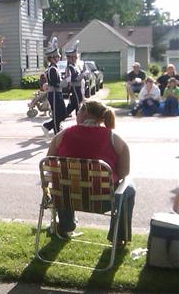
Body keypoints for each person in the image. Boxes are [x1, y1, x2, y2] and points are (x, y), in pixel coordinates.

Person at [46, 101, 135, 243]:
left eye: (78, 111)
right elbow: (124, 173)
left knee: (63, 181)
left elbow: (49, 164)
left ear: (84, 112)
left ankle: (65, 225)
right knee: (129, 187)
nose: (76, 114)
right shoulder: (114, 138)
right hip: (103, 201)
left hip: (66, 199)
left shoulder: (62, 136)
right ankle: (118, 237)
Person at [42, 37, 66, 136]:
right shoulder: (52, 69)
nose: (59, 57)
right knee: (57, 114)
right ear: (52, 57)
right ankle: (57, 133)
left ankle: (48, 126)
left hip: (57, 93)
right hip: (54, 93)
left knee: (63, 113)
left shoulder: (54, 68)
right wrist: (65, 81)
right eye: (57, 56)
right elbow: (55, 82)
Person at [64, 41, 83, 117]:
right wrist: (82, 75)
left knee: (75, 104)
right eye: (75, 56)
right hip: (75, 88)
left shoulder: (74, 66)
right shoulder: (71, 67)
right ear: (71, 58)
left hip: (78, 87)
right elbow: (74, 78)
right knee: (77, 104)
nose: (76, 58)